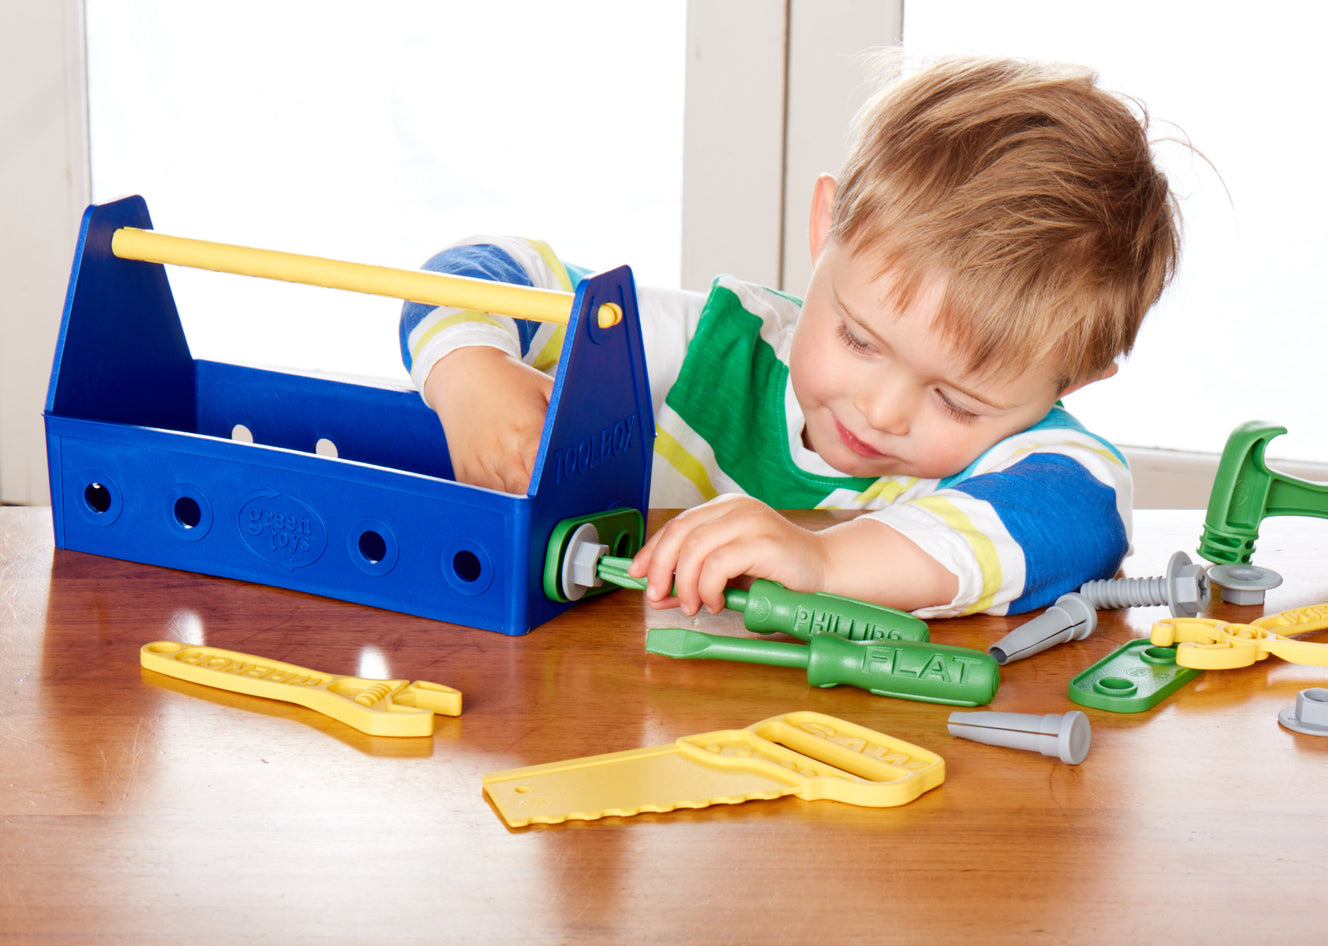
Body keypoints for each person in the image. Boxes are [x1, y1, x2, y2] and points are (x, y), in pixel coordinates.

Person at [398, 55, 1181, 621]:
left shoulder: (1033, 462)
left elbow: (1082, 523)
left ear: (1067, 384)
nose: (879, 411)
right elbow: (479, 272)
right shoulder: (710, 348)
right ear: (825, 227)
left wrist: (825, 559)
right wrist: (471, 377)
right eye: (860, 339)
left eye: (955, 400)